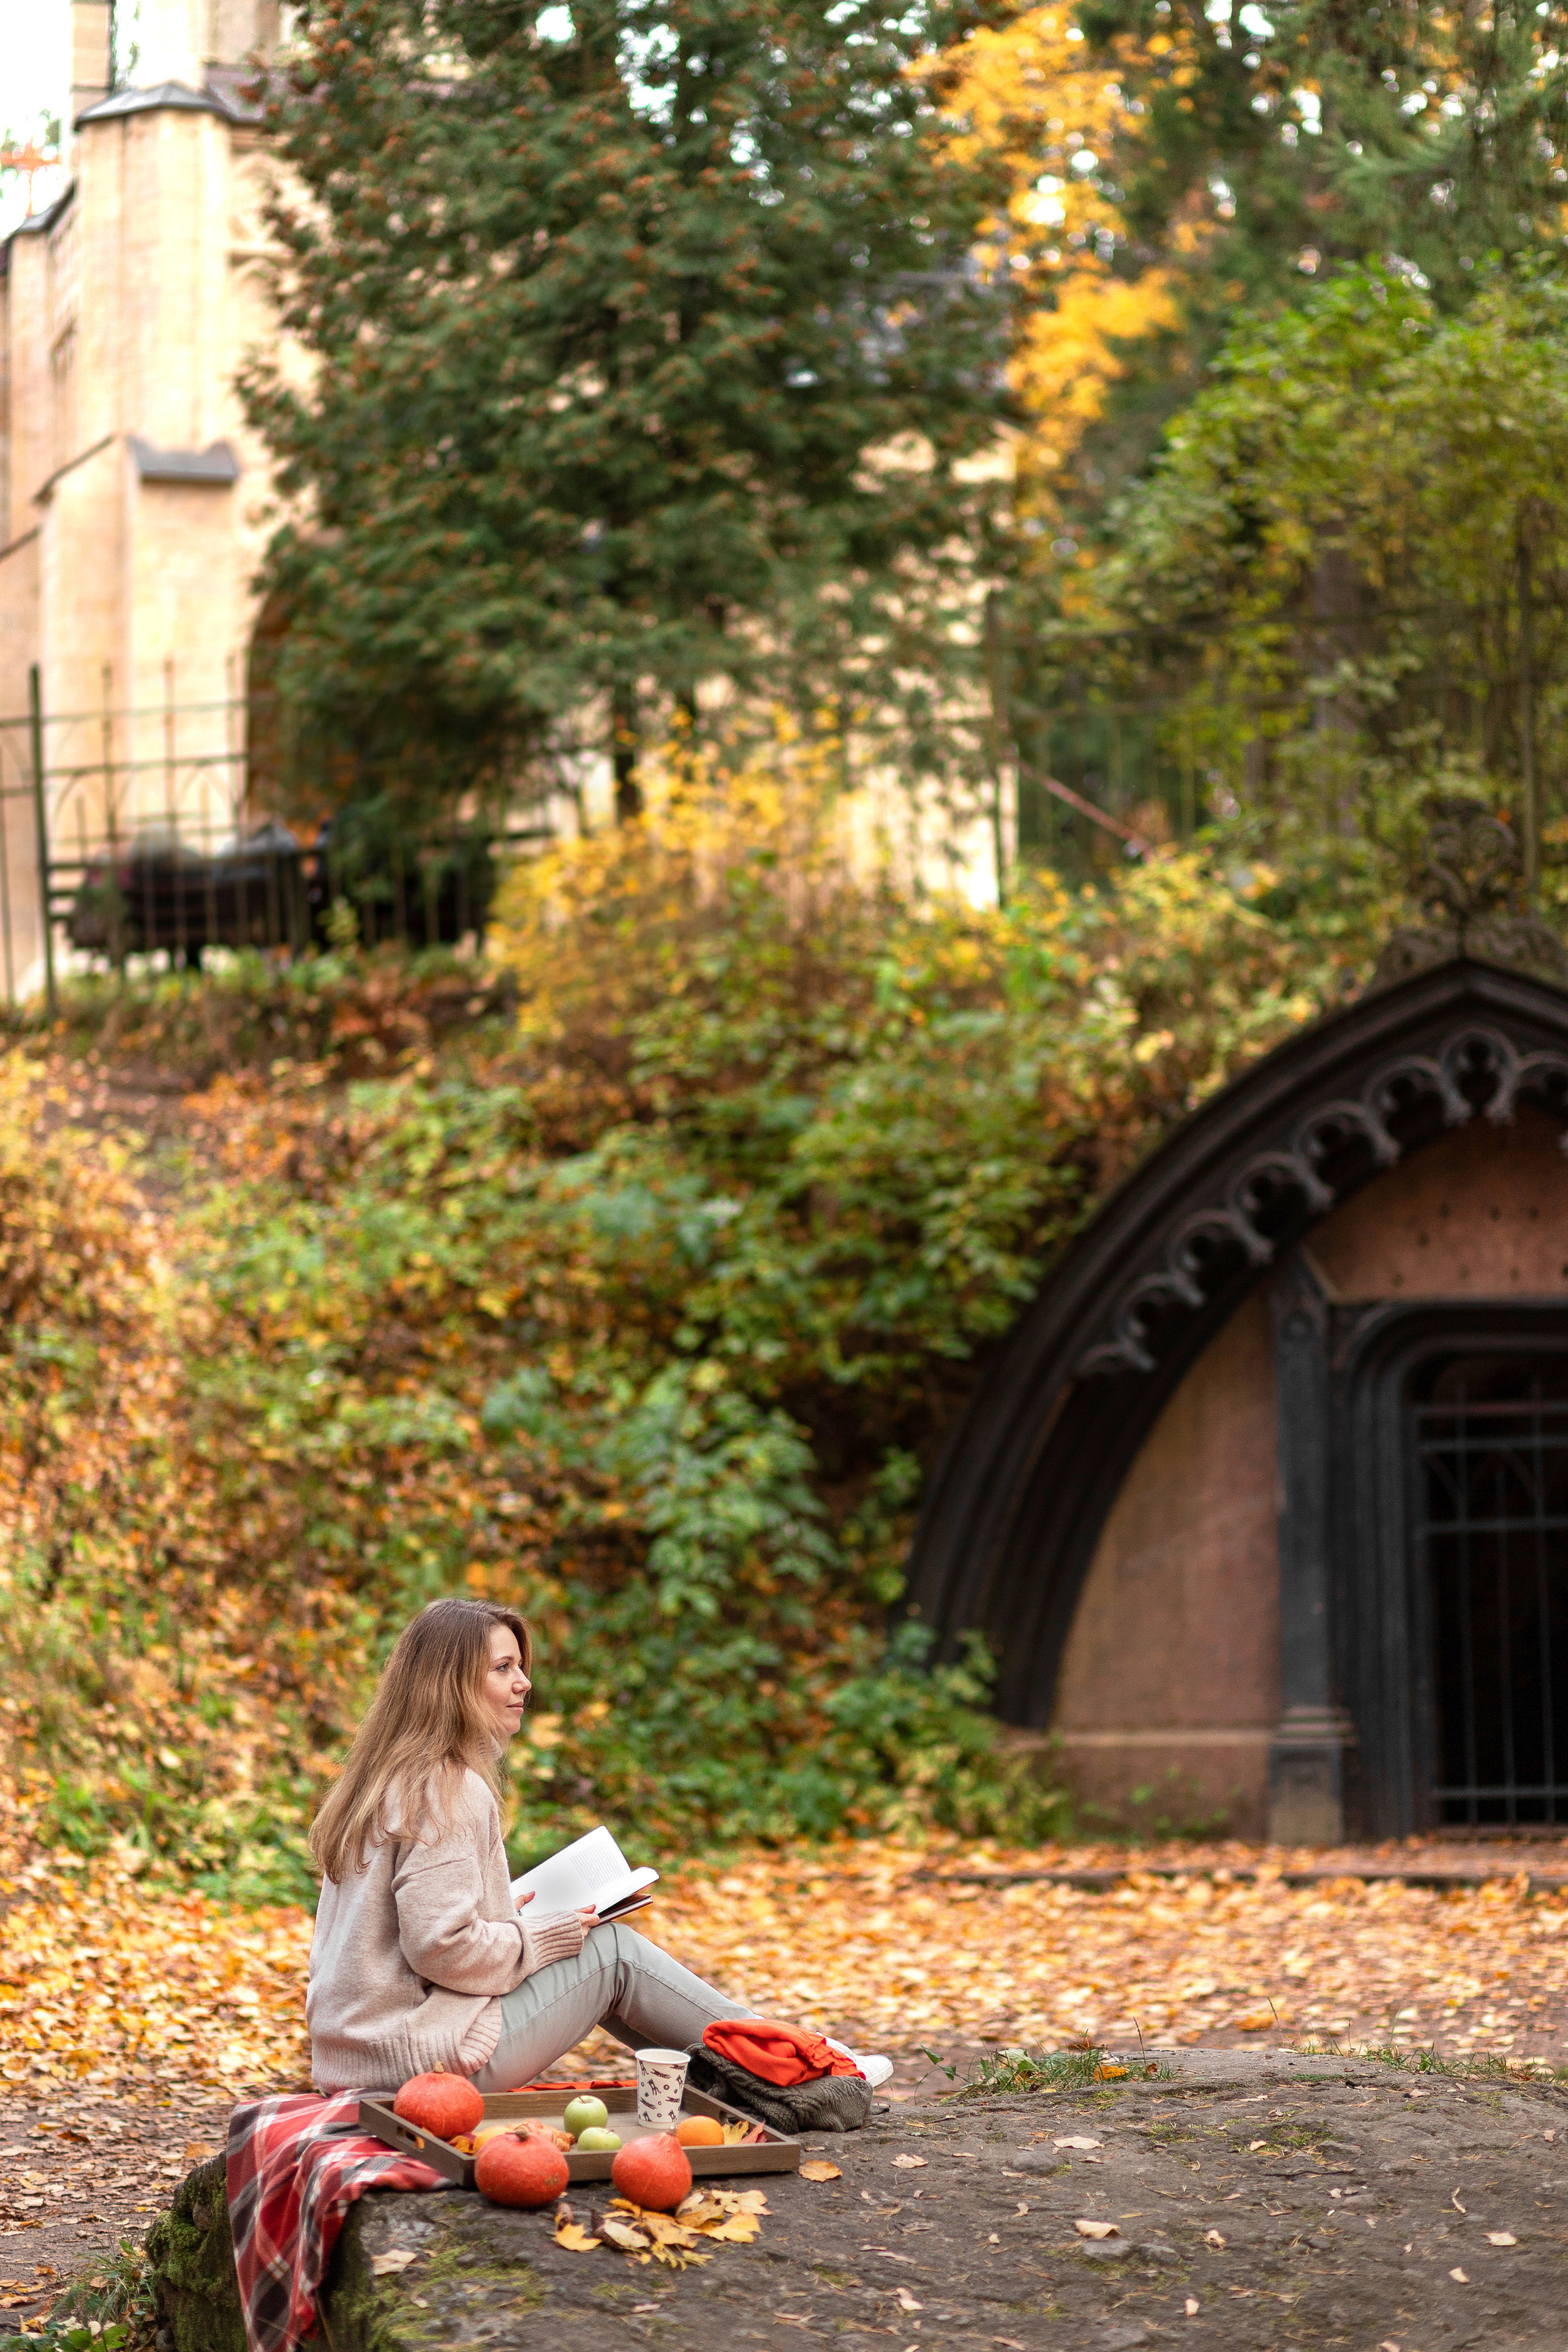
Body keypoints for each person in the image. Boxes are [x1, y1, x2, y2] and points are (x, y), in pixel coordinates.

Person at [305, 1596, 889, 2092]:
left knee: (604, 1959)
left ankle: (760, 2075)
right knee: (610, 1952)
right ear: (451, 1684)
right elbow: (442, 1948)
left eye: (520, 1666)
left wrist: (509, 1914)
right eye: (503, 1668)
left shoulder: (380, 1780)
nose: (523, 1683)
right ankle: (802, 2061)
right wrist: (547, 1934)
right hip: (417, 2063)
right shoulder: (450, 1787)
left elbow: (408, 1930)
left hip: (362, 2057)